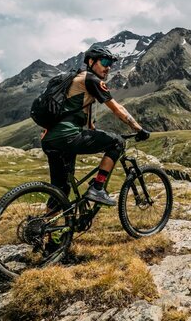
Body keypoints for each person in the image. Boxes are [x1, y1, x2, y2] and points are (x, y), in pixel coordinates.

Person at [41, 43, 150, 207]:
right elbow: (117, 109)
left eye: (110, 64)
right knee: (117, 142)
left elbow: (86, 117)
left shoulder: (76, 79)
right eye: (104, 62)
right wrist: (138, 129)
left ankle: (44, 223)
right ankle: (97, 188)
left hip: (50, 140)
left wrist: (94, 131)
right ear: (91, 61)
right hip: (68, 137)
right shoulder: (91, 79)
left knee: (61, 191)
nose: (108, 68)